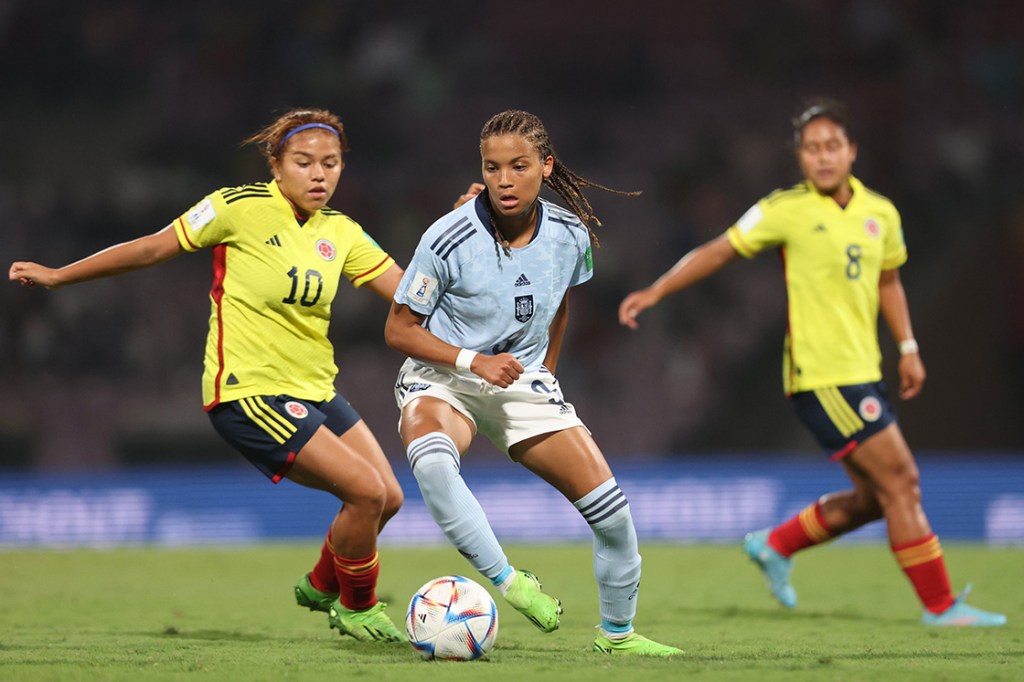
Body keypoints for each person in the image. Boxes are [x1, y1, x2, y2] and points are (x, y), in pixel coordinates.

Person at [9, 108, 409, 642]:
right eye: (305, 162)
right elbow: (153, 247)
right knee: (365, 492)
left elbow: (411, 295)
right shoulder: (236, 207)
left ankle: (319, 583)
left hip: (315, 389)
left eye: (331, 164)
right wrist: (62, 275)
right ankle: (356, 607)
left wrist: (460, 234)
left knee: (389, 496)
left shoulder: (342, 231)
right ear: (276, 164)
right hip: (247, 392)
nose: (319, 175)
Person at [618, 99, 1006, 628]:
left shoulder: (881, 214)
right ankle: (941, 606)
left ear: (851, 151)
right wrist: (658, 290)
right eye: (811, 148)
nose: (822, 157)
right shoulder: (785, 209)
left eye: (832, 146)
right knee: (903, 482)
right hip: (821, 376)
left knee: (876, 498)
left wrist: (909, 346)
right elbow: (720, 250)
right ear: (799, 157)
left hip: (863, 369)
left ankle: (776, 545)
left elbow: (888, 279)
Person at [384, 109, 682, 657]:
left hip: (520, 379)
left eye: (518, 166)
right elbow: (399, 329)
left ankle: (617, 636)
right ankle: (507, 582)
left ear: (545, 166)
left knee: (613, 514)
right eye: (492, 167)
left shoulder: (570, 234)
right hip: (444, 377)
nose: (503, 180)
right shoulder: (447, 238)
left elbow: (560, 301)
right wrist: (475, 362)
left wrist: (546, 368)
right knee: (431, 463)